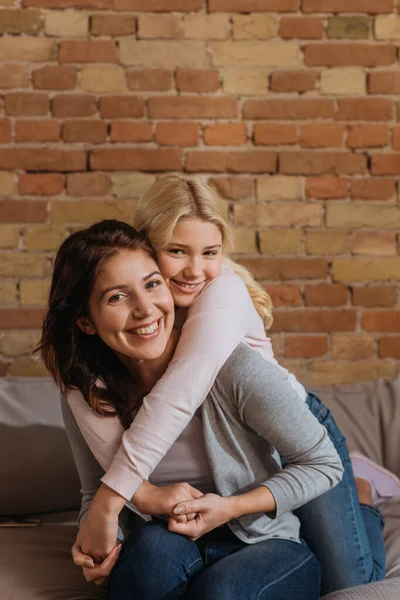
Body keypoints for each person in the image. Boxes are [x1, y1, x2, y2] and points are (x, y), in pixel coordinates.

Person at [40, 219, 345, 599]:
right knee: (143, 577)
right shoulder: (85, 391)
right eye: (117, 297)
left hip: (259, 540)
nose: (144, 309)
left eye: (152, 284)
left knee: (221, 593)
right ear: (86, 321)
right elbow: (95, 493)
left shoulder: (234, 369)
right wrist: (98, 547)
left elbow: (324, 464)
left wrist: (231, 507)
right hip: (162, 534)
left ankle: (363, 502)